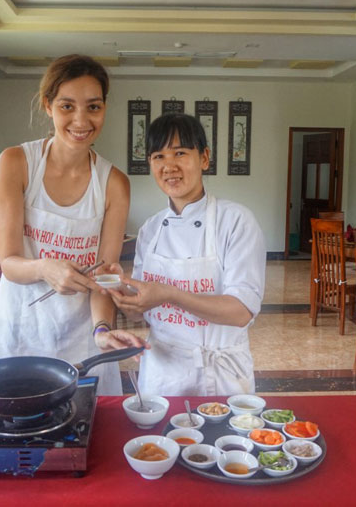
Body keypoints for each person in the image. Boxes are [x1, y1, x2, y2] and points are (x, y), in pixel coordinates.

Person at [0, 54, 146, 395]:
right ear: (48, 106)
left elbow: (105, 275)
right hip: (20, 332)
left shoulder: (113, 183)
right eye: (67, 106)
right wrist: (44, 268)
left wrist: (102, 329)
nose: (81, 120)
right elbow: (9, 263)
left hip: (82, 342)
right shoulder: (17, 163)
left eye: (94, 107)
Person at [107, 113, 265, 396]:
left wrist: (170, 294)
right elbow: (142, 312)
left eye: (180, 153)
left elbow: (242, 311)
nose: (169, 166)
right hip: (162, 373)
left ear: (204, 158)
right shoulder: (150, 230)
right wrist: (126, 300)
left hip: (221, 377)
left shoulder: (236, 221)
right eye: (159, 157)